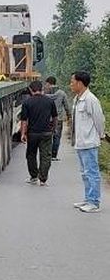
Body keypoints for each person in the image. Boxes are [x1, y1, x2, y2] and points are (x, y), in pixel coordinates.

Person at [69, 71, 106, 213]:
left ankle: (94, 202)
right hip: (80, 142)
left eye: (72, 82)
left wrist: (101, 135)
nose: (71, 84)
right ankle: (88, 198)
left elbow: (99, 119)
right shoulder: (77, 99)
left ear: (80, 83)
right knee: (85, 173)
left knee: (92, 173)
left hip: (89, 142)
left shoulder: (91, 99)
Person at [20, 80, 57, 186]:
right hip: (46, 133)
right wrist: (53, 129)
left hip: (32, 134)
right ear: (42, 89)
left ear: (31, 90)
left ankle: (34, 177)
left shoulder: (27, 102)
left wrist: (23, 134)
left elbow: (24, 120)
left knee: (31, 155)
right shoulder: (49, 101)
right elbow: (55, 117)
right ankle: (43, 179)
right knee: (45, 156)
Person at [44, 76, 72, 161]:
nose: (45, 86)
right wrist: (69, 116)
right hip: (58, 119)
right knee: (57, 137)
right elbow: (67, 106)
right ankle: (53, 155)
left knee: (47, 137)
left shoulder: (44, 94)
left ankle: (47, 155)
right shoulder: (62, 93)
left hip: (47, 119)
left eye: (46, 84)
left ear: (48, 83)